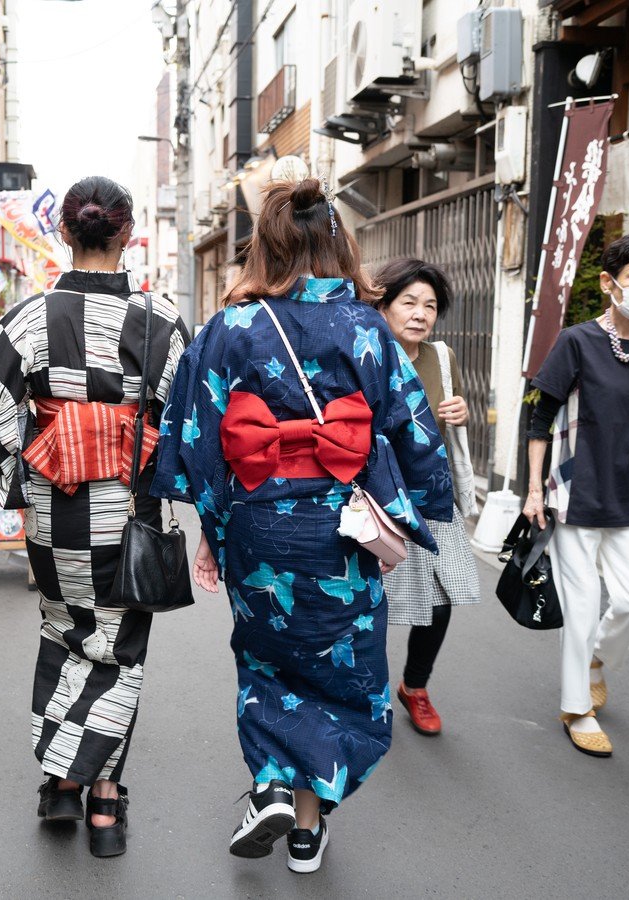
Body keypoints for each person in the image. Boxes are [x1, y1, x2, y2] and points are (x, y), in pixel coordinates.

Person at [151, 178, 452, 872]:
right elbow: (410, 424)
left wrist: (212, 520)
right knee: (339, 669)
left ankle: (270, 784)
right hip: (343, 526)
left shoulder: (232, 329)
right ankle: (309, 826)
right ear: (337, 243)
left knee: (268, 660)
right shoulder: (368, 328)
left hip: (261, 525)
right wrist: (431, 497)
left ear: (266, 245)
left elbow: (194, 434)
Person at [0, 176, 189, 858]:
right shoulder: (162, 320)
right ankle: (105, 806)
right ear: (127, 234)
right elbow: (186, 422)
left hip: (55, 516)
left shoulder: (28, 318)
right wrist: (151, 467)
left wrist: (24, 480)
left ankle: (62, 777)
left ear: (66, 232)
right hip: (127, 512)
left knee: (64, 631)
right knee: (118, 650)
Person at [523, 231, 629, 757]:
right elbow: (540, 415)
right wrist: (533, 488)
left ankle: (597, 658)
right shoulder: (577, 341)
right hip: (575, 493)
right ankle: (577, 708)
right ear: (609, 281)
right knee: (581, 604)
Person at [372, 258, 481, 736]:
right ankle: (366, 689)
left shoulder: (441, 358)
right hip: (374, 499)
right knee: (368, 600)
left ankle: (414, 687)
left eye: (430, 306)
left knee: (439, 599)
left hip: (431, 496)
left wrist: (461, 411)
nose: (420, 314)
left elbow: (449, 418)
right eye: (409, 302)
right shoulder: (365, 352)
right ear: (384, 306)